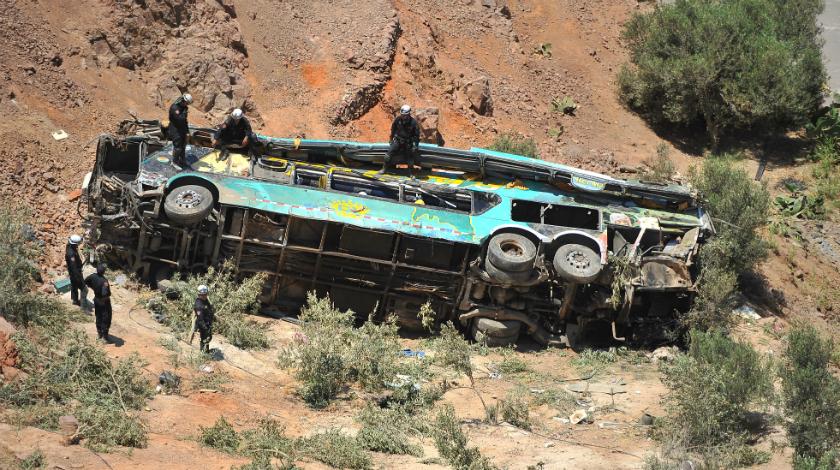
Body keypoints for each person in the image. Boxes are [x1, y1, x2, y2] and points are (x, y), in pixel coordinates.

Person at [379, 104, 420, 176]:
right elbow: (393, 129)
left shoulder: (413, 123)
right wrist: (391, 139)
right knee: (388, 156)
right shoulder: (398, 120)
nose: (403, 116)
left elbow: (417, 136)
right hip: (398, 141)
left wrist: (415, 146)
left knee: (410, 159)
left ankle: (411, 173)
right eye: (402, 115)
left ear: (409, 114)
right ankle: (384, 169)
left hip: (408, 143)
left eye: (405, 115)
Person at [84, 263, 112, 342]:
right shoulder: (104, 281)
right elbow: (105, 294)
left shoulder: (93, 276)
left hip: (96, 300)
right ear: (104, 272)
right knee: (106, 318)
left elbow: (86, 281)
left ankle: (99, 334)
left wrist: (94, 288)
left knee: (98, 316)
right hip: (104, 302)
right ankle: (105, 337)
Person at [168, 93, 193, 168]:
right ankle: (174, 162)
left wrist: (187, 131)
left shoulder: (184, 108)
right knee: (178, 147)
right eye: (187, 103)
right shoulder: (174, 107)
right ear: (183, 100)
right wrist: (184, 114)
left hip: (182, 129)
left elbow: (185, 121)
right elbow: (180, 119)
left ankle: (182, 160)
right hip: (175, 129)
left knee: (183, 145)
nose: (187, 105)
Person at [65, 234, 88, 308]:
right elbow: (74, 267)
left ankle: (75, 300)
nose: (78, 245)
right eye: (77, 244)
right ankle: (83, 306)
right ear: (75, 244)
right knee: (84, 289)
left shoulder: (69, 246)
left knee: (74, 286)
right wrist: (79, 278)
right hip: (75, 273)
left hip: (73, 272)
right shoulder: (71, 254)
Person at [194, 284, 215, 354]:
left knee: (208, 338)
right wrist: (205, 328)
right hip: (203, 324)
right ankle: (203, 353)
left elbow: (209, 308)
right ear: (199, 295)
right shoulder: (199, 305)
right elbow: (200, 319)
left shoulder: (205, 300)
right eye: (203, 295)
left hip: (208, 323)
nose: (205, 296)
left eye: (206, 294)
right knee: (204, 339)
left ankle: (206, 351)